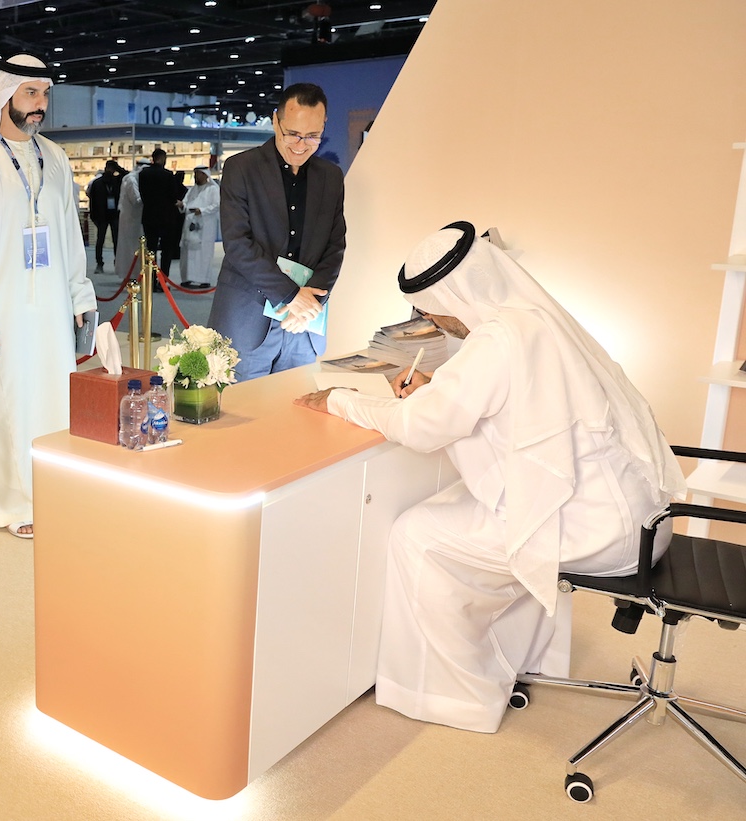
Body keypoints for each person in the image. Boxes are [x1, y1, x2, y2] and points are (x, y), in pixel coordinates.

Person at [293, 222, 686, 733]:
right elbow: (495, 404)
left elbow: (421, 428)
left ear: (451, 297)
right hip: (642, 520)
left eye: (431, 311)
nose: (433, 321)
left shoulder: (496, 339)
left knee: (418, 536)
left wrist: (341, 400)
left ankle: (459, 698)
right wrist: (435, 390)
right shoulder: (533, 320)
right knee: (457, 513)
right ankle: (520, 660)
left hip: (596, 533)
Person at [0, 54, 98, 539]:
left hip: (49, 308)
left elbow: (69, 233)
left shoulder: (55, 156)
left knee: (52, 399)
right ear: (6, 95)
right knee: (3, 402)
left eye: (45, 94)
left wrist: (79, 296)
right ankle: (9, 503)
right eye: (30, 93)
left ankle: (51, 490)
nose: (39, 104)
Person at [208, 82, 346, 379]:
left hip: (303, 326)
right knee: (243, 406)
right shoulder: (241, 168)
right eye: (292, 134)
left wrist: (311, 303)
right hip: (249, 320)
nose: (301, 145)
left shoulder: (331, 177)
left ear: (323, 126)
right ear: (275, 121)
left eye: (313, 136)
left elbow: (335, 247)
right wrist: (291, 296)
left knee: (298, 404)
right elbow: (237, 244)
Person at [138, 148, 186, 277]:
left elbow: (142, 194)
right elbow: (173, 195)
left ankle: (151, 279)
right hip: (166, 217)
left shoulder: (143, 174)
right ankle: (164, 278)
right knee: (166, 250)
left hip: (149, 216)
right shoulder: (168, 175)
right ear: (163, 158)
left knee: (151, 249)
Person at [178, 166, 221, 288]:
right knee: (187, 252)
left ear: (205, 175)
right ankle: (187, 278)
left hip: (205, 225)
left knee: (203, 252)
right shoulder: (192, 189)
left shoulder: (213, 189)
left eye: (198, 174)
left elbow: (216, 205)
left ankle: (204, 279)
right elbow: (186, 202)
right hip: (190, 223)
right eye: (195, 174)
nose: (196, 176)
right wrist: (182, 206)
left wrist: (201, 211)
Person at [86, 160, 123, 274]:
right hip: (102, 216)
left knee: (116, 240)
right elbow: (93, 201)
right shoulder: (97, 183)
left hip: (114, 214)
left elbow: (126, 175)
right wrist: (93, 216)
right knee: (100, 240)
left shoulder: (117, 181)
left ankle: (118, 262)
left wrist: (118, 168)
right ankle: (99, 263)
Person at [114, 159, 146, 280]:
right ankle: (131, 274)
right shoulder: (132, 179)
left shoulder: (131, 178)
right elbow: (136, 200)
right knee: (130, 247)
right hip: (131, 219)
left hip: (133, 218)